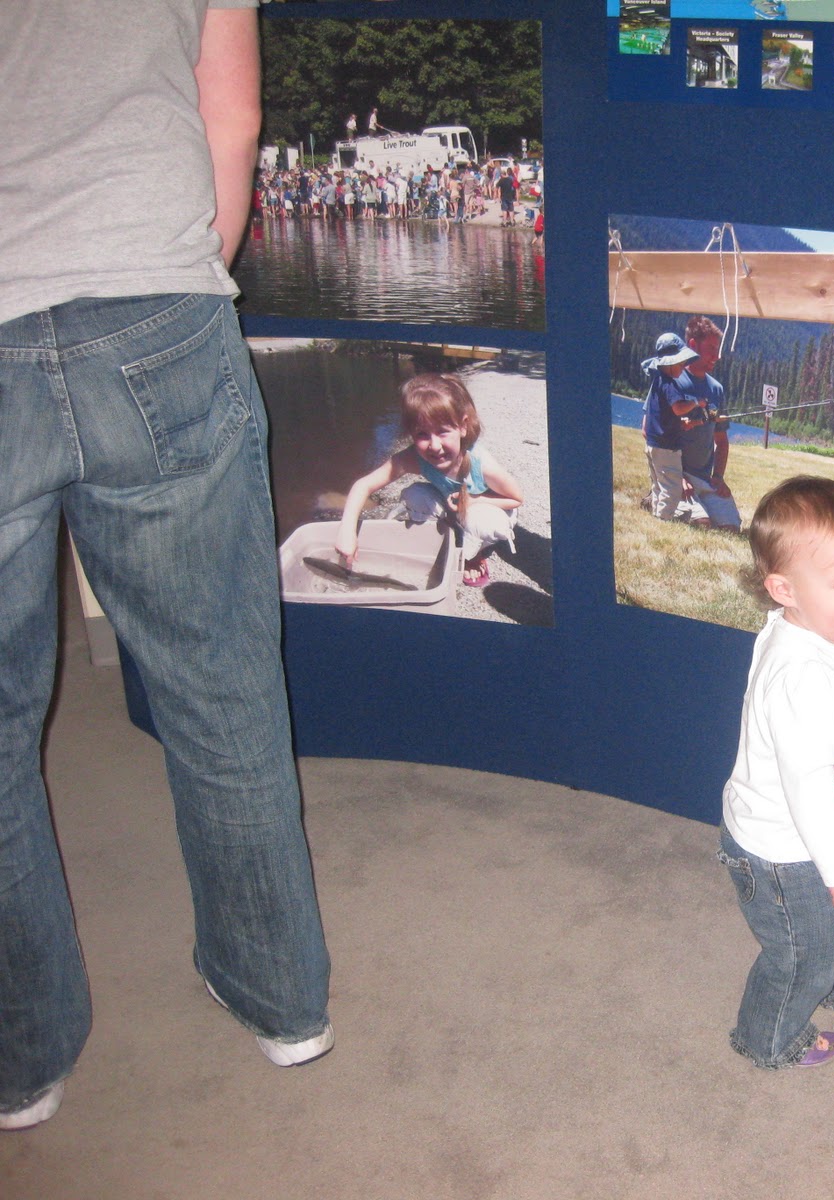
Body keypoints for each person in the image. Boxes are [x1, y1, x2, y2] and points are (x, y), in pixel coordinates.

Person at [0, 0, 334, 1132]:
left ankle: (22, 1057)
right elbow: (229, 114)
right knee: (221, 689)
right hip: (155, 300)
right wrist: (190, 265)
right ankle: (282, 1000)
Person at [718, 477, 834, 1069]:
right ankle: (767, 1038)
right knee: (799, 952)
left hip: (818, 835)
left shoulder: (820, 629)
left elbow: (821, 703)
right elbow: (806, 784)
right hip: (785, 848)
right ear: (783, 589)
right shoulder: (801, 676)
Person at [336, 373, 523, 588]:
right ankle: (451, 534)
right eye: (422, 434)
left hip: (491, 507)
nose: (434, 445)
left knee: (480, 522)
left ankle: (475, 553)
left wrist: (475, 501)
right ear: (410, 434)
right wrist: (347, 531)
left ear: (463, 426)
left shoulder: (482, 464)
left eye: (443, 432)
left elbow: (516, 499)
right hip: (456, 505)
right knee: (414, 494)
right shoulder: (413, 458)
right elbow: (363, 485)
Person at [674, 316, 741, 530]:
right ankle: (656, 497)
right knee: (702, 524)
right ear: (693, 345)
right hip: (677, 477)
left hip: (704, 481)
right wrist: (676, 476)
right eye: (711, 348)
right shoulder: (673, 380)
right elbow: (651, 432)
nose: (717, 356)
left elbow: (721, 441)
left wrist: (718, 477)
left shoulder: (716, 390)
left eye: (718, 349)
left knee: (731, 527)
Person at [639, 332, 703, 520]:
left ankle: (657, 516)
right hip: (666, 447)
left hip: (653, 444)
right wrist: (696, 403)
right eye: (681, 363)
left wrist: (680, 422)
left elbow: (665, 414)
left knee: (658, 485)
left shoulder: (658, 380)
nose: (684, 367)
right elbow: (678, 408)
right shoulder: (670, 384)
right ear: (669, 362)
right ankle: (663, 520)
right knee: (672, 488)